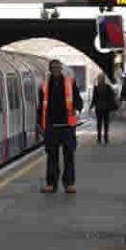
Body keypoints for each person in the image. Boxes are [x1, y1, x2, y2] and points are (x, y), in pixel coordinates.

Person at [38, 59, 83, 194]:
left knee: (69, 156)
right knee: (52, 157)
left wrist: (78, 106)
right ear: (50, 70)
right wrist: (40, 124)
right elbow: (41, 106)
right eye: (53, 68)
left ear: (61, 69)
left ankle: (69, 184)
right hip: (51, 126)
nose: (56, 70)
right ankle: (51, 184)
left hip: (67, 126)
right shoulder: (44, 85)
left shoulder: (70, 83)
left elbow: (77, 99)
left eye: (58, 68)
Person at [90, 73, 118, 144]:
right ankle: (106, 138)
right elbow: (112, 96)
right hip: (106, 108)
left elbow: (94, 98)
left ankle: (99, 138)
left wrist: (91, 106)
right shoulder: (108, 87)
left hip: (99, 108)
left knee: (99, 123)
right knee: (106, 123)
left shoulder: (96, 88)